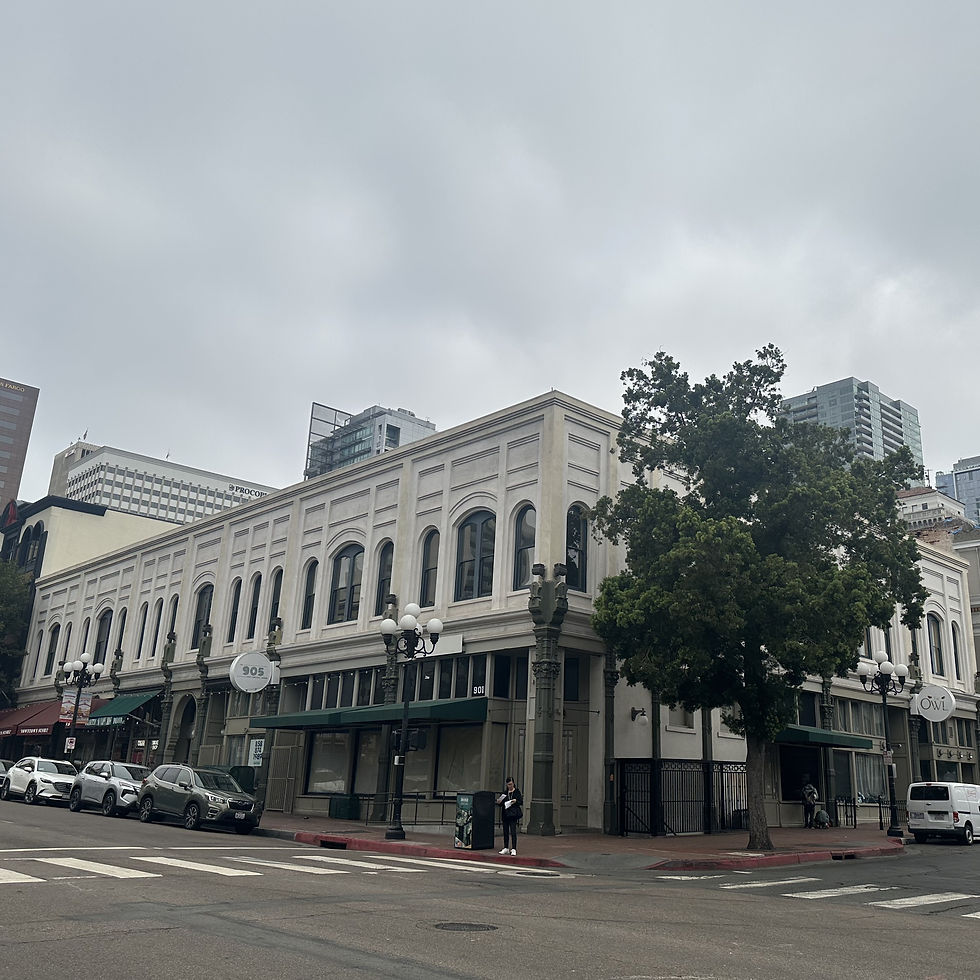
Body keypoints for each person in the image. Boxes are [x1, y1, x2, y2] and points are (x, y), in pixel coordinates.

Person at [497, 777, 523, 855]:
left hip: (513, 814)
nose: (510, 786)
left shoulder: (517, 792)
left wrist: (515, 801)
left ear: (513, 783)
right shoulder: (505, 793)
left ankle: (514, 848)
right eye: (508, 784)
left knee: (513, 831)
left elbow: (520, 802)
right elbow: (501, 804)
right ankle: (506, 847)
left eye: (511, 784)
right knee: (505, 831)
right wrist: (499, 802)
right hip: (505, 814)